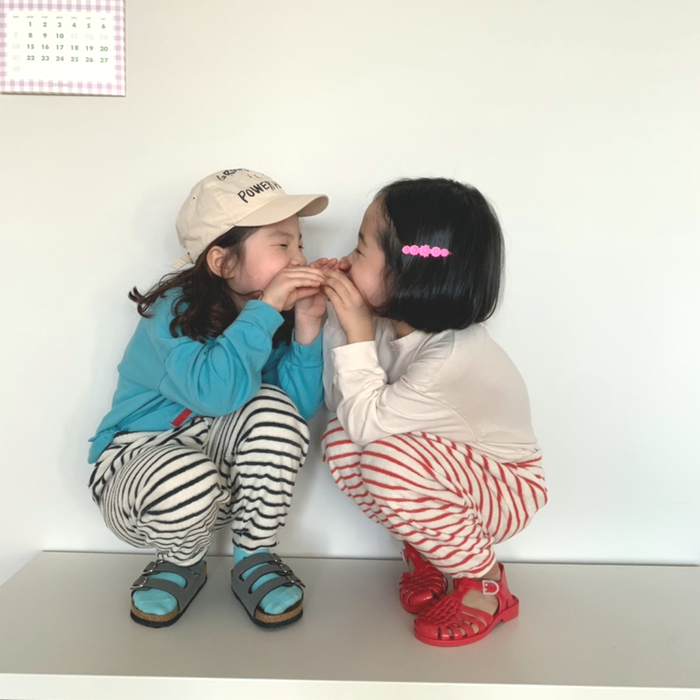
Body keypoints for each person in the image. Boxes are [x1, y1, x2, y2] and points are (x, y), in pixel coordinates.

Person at [88, 168, 332, 629]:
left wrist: (307, 324)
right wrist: (266, 310)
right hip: (139, 478)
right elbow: (215, 395)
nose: (300, 258)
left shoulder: (265, 319)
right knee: (187, 476)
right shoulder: (174, 312)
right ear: (222, 261)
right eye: (283, 245)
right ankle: (180, 561)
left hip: (213, 482)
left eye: (300, 244)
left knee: (272, 408)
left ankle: (253, 555)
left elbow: (292, 413)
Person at [321, 177, 548, 647]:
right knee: (338, 439)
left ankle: (486, 583)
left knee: (384, 456)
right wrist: (338, 319)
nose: (345, 259)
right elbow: (342, 405)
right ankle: (428, 551)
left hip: (506, 485)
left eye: (360, 249)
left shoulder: (450, 355)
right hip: (450, 474)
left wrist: (356, 328)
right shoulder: (388, 327)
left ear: (409, 272)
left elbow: (368, 424)